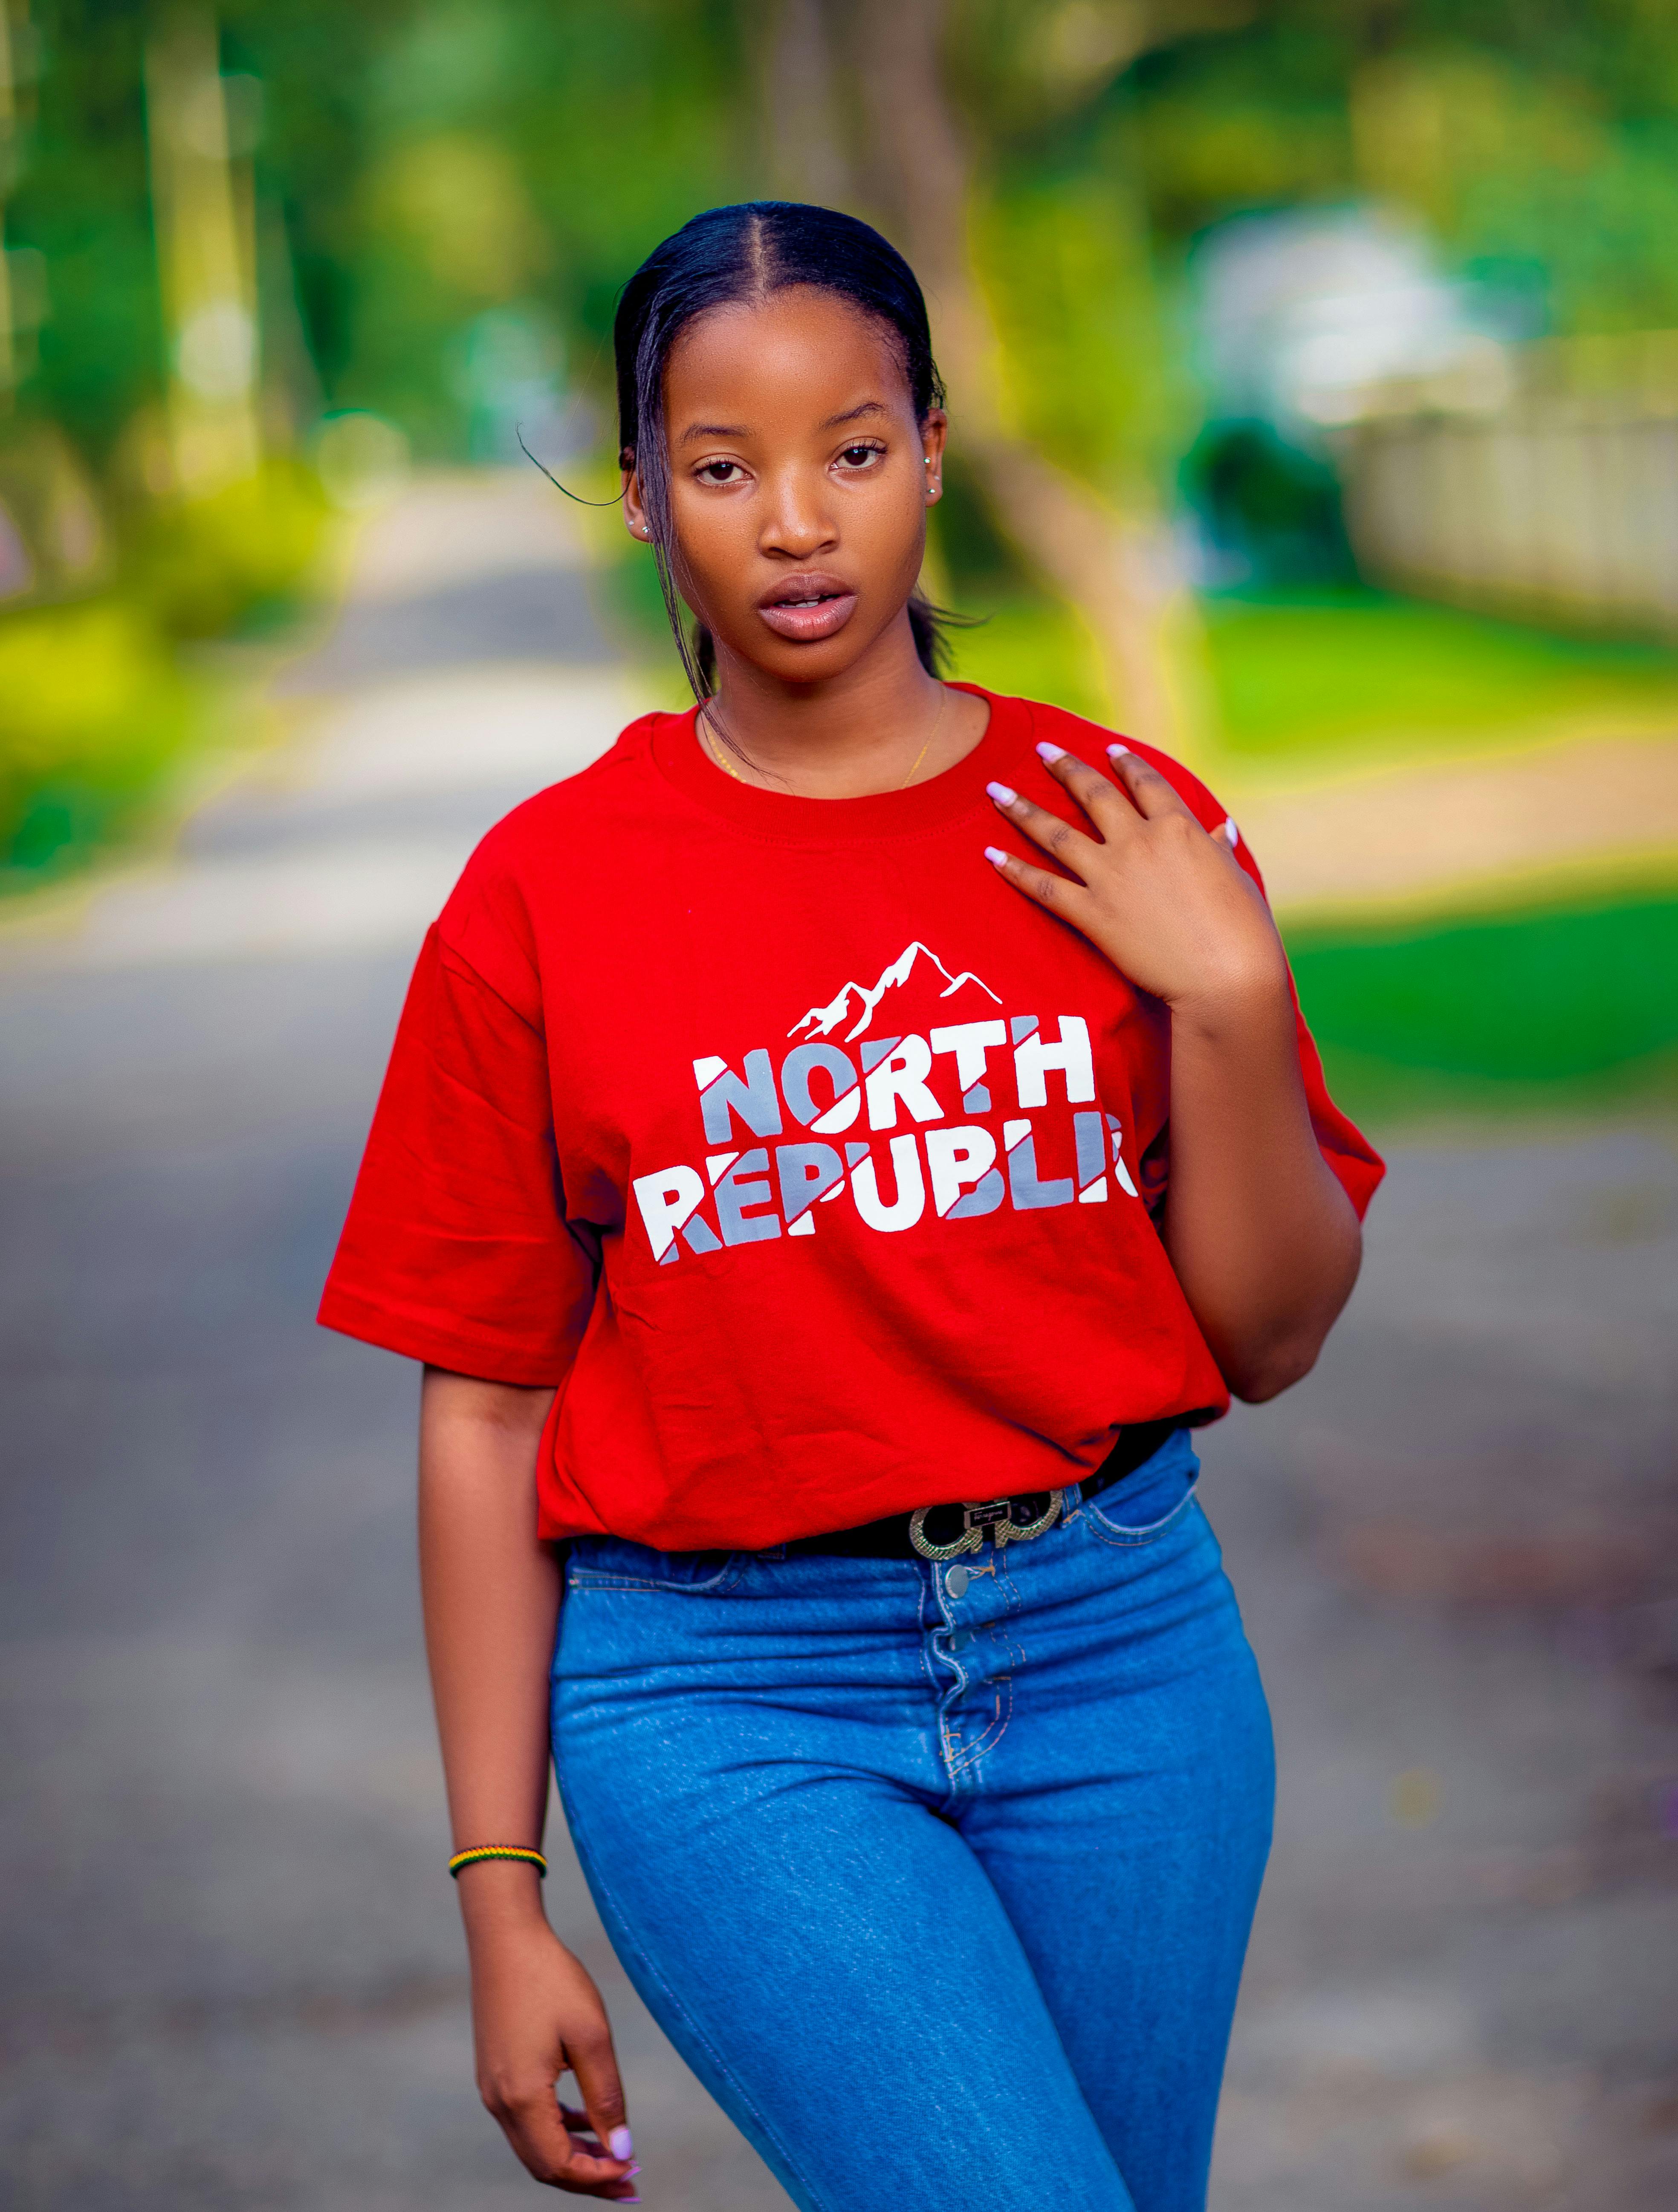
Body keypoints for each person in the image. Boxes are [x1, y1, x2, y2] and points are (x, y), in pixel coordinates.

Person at [319, 200, 1383, 2212]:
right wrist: (496, 1892)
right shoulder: (544, 896)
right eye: (724, 467)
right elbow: (483, 1407)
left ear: (936, 448)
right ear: (646, 496)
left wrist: (1227, 994)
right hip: (728, 1702)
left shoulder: (1120, 827)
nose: (795, 520)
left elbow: (1272, 1330)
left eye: (855, 450)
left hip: (1120, 1649)